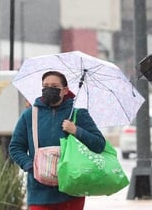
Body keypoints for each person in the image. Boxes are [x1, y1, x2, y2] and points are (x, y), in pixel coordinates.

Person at [9, 71, 106, 210]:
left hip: (72, 190)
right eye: (45, 86)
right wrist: (31, 166)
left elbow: (99, 145)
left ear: (65, 90)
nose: (49, 89)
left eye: (54, 86)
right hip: (39, 192)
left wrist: (76, 130)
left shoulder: (79, 115)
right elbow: (15, 147)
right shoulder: (29, 115)